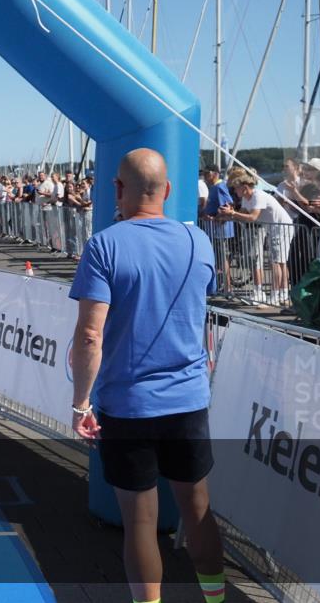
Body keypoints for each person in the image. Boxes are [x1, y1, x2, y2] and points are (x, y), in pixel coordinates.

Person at [69, 148, 225, 603]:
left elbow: (90, 336)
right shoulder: (198, 241)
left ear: (118, 189)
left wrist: (80, 404)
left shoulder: (104, 245)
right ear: (168, 190)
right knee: (197, 510)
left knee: (140, 520)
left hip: (129, 404)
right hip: (188, 400)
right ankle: (215, 599)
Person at [220, 174, 293, 306]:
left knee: (276, 262)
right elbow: (242, 214)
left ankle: (275, 296)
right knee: (281, 262)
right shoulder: (246, 198)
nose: (234, 191)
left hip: (281, 228)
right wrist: (228, 215)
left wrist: (232, 213)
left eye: (236, 188)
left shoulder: (257, 196)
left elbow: (253, 217)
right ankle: (283, 294)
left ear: (245, 187)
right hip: (275, 228)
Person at [200, 165, 234, 295]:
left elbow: (227, 206)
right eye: (204, 174)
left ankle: (228, 288)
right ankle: (222, 286)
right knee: (219, 258)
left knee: (222, 258)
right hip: (215, 230)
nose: (205, 177)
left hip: (220, 230)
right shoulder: (214, 187)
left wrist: (215, 218)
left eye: (207, 174)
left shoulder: (219, 187)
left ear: (215, 174)